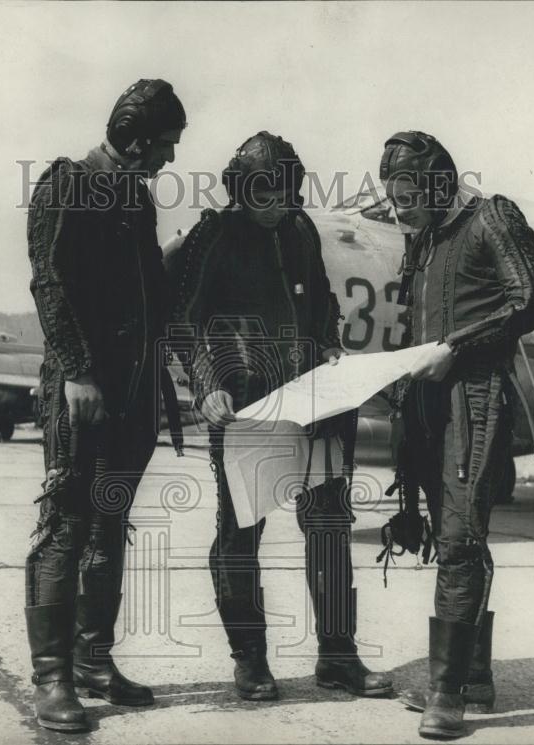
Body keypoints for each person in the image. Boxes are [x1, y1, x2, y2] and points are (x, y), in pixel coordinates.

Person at [170, 131, 393, 702]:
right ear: (241, 191)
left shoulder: (299, 230)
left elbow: (321, 303)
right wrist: (208, 385)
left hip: (312, 407)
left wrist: (328, 348)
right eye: (266, 195)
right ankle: (250, 661)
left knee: (328, 529)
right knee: (240, 535)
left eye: (288, 194)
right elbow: (185, 320)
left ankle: (338, 657)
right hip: (246, 411)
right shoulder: (212, 236)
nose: (278, 206)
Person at [24, 79, 185, 732]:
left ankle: (94, 661)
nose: (171, 159)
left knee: (109, 525)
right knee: (65, 527)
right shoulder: (68, 181)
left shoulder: (136, 199)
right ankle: (53, 677)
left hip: (132, 392)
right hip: (82, 389)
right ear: (138, 138)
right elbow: (50, 282)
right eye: (167, 145)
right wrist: (79, 373)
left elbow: (148, 288)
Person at [379, 131, 534, 739]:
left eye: (406, 198)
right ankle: (472, 677)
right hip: (424, 404)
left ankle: (445, 694)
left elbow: (528, 303)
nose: (398, 210)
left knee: (459, 537)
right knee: (451, 536)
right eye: (392, 200)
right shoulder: (421, 240)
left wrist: (455, 347)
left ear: (438, 183)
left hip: (474, 399)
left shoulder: (490, 218)